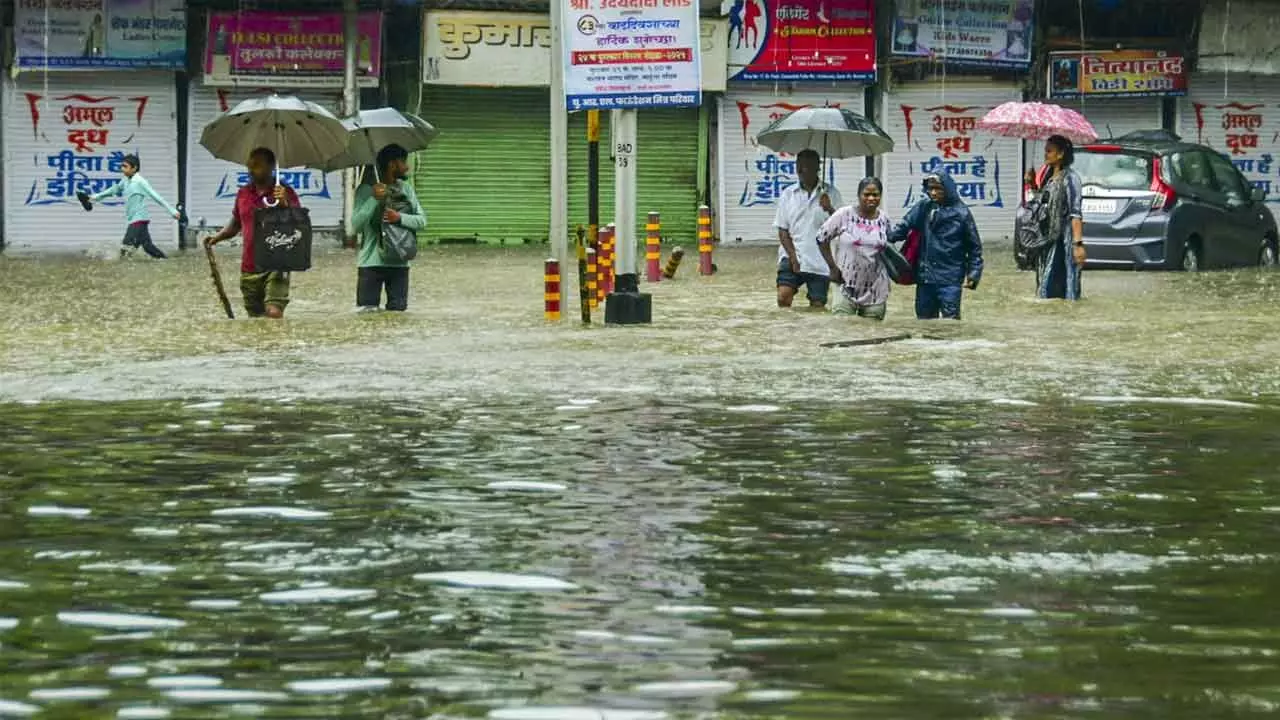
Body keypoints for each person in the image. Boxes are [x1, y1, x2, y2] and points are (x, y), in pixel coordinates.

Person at [203, 147, 300, 319]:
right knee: (255, 320)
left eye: (257, 165)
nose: (251, 169)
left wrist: (285, 204)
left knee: (273, 312)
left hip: (276, 263)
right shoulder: (243, 193)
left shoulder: (284, 192)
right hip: (249, 267)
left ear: (271, 167)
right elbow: (236, 224)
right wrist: (216, 238)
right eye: (250, 165)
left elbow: (299, 225)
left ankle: (280, 345)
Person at [889, 170, 984, 320]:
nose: (933, 193)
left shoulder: (962, 213)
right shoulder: (924, 207)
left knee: (950, 321)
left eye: (938, 189)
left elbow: (974, 248)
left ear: (948, 189)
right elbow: (904, 226)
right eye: (930, 189)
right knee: (924, 320)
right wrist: (884, 238)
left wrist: (974, 274)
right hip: (925, 277)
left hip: (950, 279)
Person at [350, 144, 428, 312]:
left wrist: (399, 218)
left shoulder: (406, 189)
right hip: (371, 263)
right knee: (367, 315)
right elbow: (356, 225)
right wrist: (374, 200)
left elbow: (422, 221)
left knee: (397, 316)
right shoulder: (365, 190)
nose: (407, 167)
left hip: (400, 262)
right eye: (403, 162)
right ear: (392, 164)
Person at [818, 177, 893, 320]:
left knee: (871, 334)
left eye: (875, 195)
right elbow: (821, 238)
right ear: (859, 195)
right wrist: (832, 267)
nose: (871, 198)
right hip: (845, 283)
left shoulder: (884, 219)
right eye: (866, 194)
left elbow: (889, 248)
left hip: (876, 287)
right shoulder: (844, 215)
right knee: (843, 330)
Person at [774, 149, 841, 309]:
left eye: (807, 167)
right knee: (783, 297)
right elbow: (783, 231)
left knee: (817, 306)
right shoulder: (788, 194)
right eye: (799, 166)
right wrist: (793, 258)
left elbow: (842, 226)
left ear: (817, 168)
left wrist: (830, 208)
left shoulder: (831, 193)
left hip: (820, 260)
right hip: (792, 255)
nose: (802, 171)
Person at [89, 154, 181, 260]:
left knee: (125, 250)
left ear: (134, 168)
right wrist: (95, 197)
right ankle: (168, 262)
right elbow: (113, 190)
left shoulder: (140, 181)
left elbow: (156, 196)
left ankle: (125, 272)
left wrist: (172, 211)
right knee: (148, 247)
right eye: (121, 166)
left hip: (138, 220)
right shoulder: (125, 180)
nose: (122, 169)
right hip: (135, 219)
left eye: (125, 166)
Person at [1030, 135, 1086, 300]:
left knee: (1060, 286)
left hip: (1064, 241)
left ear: (1061, 154)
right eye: (1045, 151)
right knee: (1046, 287)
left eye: (1049, 151)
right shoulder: (1049, 177)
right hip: (1048, 241)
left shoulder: (1070, 178)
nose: (1045, 154)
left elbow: (1075, 213)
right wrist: (1033, 184)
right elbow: (1043, 204)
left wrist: (1078, 245)